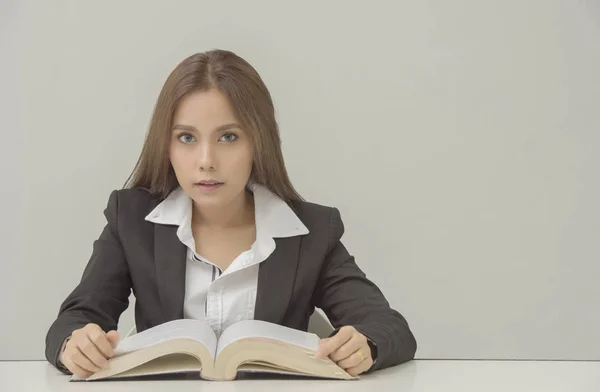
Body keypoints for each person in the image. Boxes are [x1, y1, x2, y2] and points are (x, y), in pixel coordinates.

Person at [45, 49, 417, 378]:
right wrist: (74, 344)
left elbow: (390, 327)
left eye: (228, 137)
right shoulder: (132, 221)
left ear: (259, 141)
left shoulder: (311, 233)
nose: (206, 162)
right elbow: (73, 320)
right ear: (167, 146)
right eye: (187, 138)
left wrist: (366, 344)